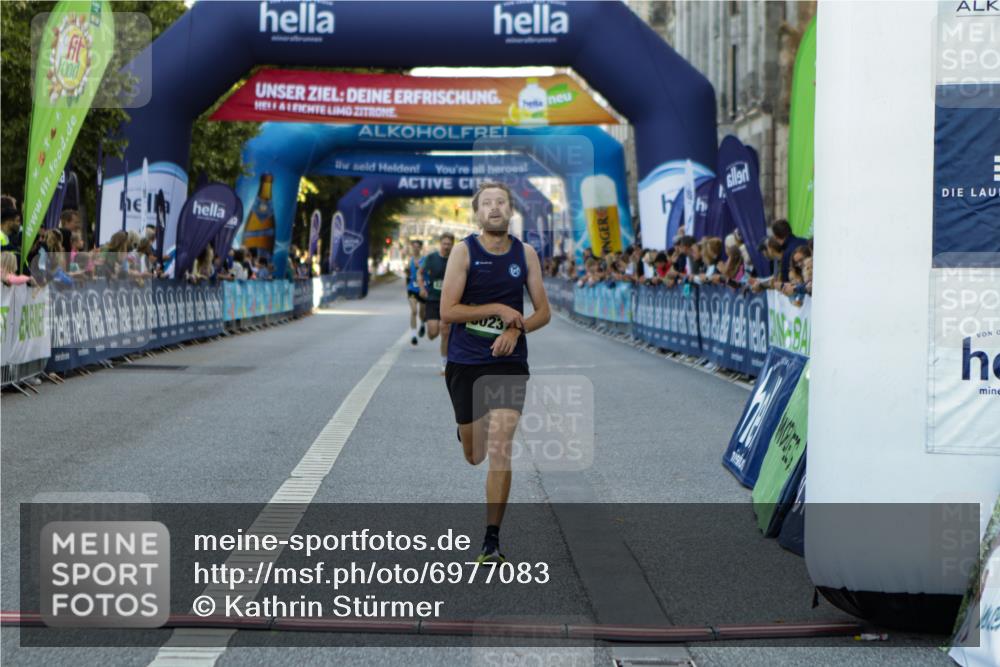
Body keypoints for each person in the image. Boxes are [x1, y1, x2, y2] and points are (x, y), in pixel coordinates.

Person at [440, 181, 551, 563]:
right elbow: (448, 312)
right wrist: (498, 310)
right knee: (475, 454)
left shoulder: (527, 254)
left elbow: (543, 312)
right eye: (486, 203)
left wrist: (515, 327)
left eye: (500, 202)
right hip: (466, 361)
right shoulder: (463, 252)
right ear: (477, 213)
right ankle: (466, 430)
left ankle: (491, 540)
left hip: (509, 362)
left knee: (502, 448)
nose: (494, 208)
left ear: (510, 209)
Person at [418, 232, 455, 374]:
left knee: (445, 331)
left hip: (449, 300)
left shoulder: (455, 258)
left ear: (452, 244)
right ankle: (426, 324)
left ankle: (444, 364)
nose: (446, 246)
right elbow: (420, 273)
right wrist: (422, 288)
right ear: (440, 243)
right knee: (433, 333)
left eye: (449, 244)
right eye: (444, 243)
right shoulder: (432, 258)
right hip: (433, 298)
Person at [406, 239, 426, 345]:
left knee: (422, 313)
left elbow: (428, 273)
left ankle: (422, 324)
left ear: (420, 248)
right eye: (414, 246)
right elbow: (408, 274)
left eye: (417, 246)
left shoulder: (425, 259)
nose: (415, 248)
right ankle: (413, 335)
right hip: (412, 289)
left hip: (422, 289)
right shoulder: (409, 260)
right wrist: (407, 270)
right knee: (414, 311)